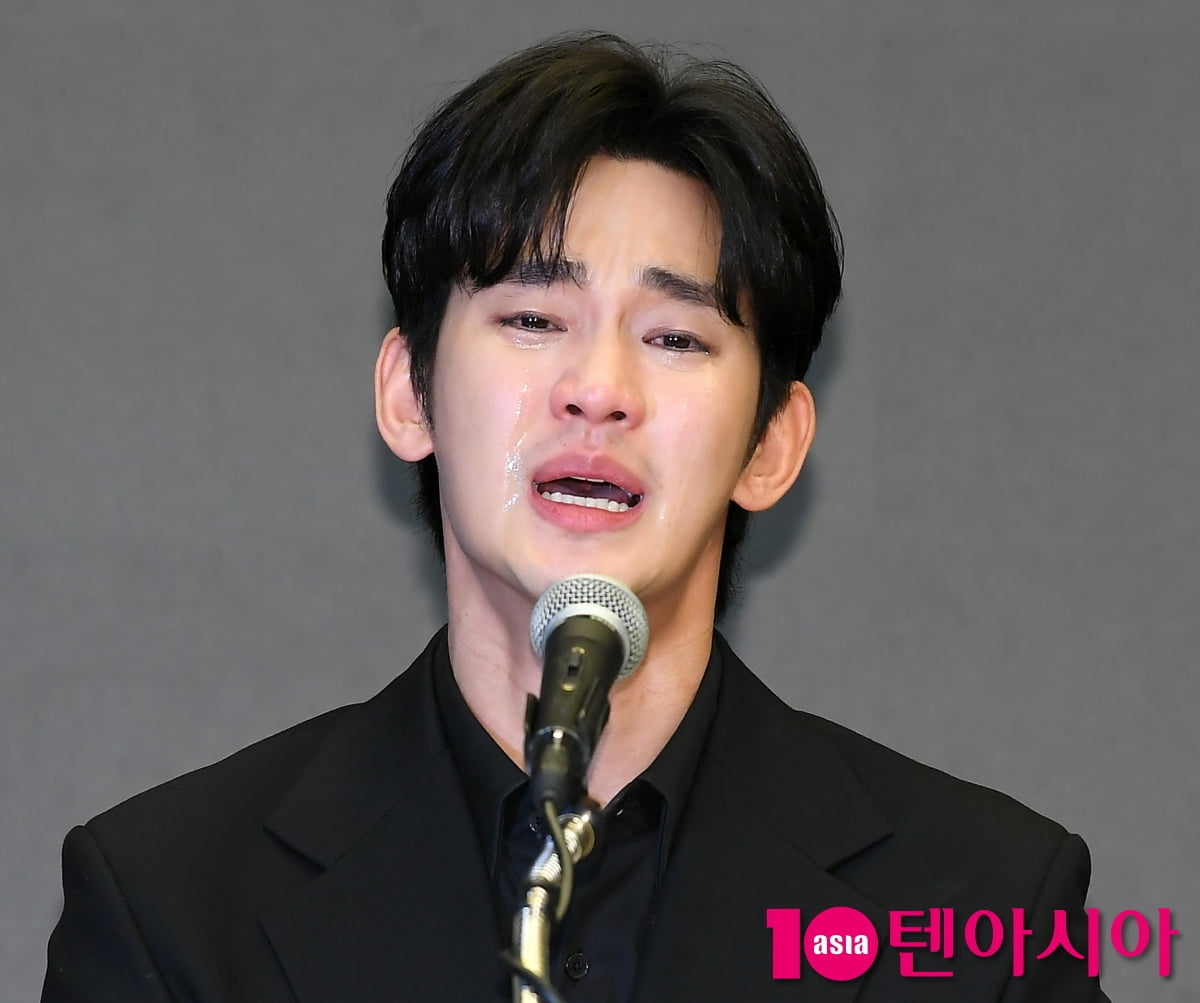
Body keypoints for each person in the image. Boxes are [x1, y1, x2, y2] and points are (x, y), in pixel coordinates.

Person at [42, 32, 1109, 1002]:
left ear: (772, 444)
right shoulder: (175, 905)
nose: (598, 390)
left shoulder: (984, 907)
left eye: (676, 337)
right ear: (409, 394)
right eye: (533, 318)